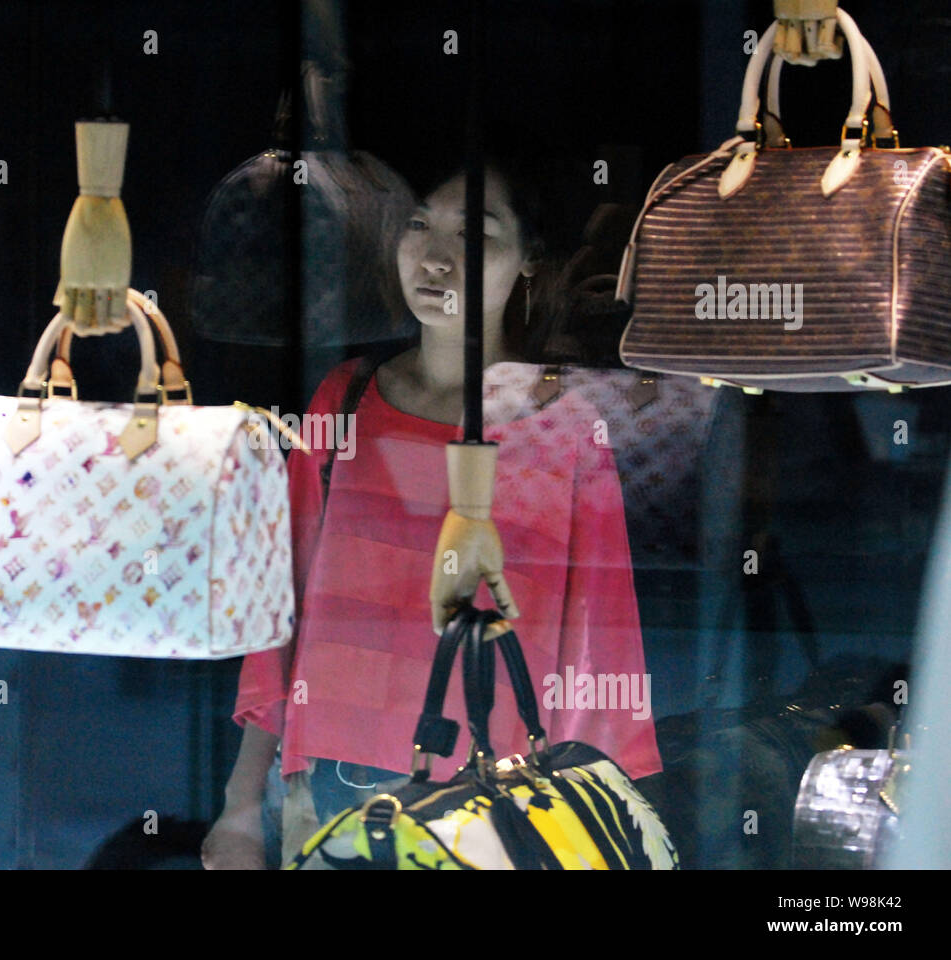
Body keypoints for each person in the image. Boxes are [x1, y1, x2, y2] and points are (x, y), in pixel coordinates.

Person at [201, 160, 662, 870]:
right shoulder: (344, 400)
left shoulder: (564, 426)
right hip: (326, 788)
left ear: (530, 259)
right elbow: (277, 607)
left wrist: (594, 823)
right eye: (418, 225)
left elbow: (599, 647)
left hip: (489, 809)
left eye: (473, 235)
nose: (435, 256)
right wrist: (239, 803)